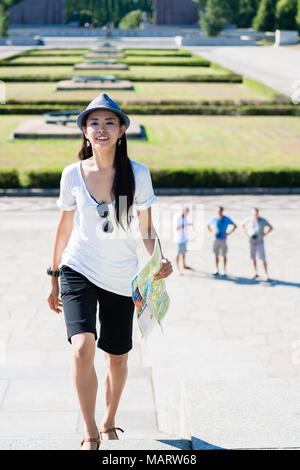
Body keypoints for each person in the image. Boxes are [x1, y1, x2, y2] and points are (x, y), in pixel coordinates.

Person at [46, 93, 173, 450]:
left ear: (121, 131)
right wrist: (54, 276)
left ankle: (109, 421)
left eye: (109, 123)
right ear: (84, 132)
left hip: (121, 275)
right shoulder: (72, 174)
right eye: (94, 123)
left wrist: (160, 259)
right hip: (78, 268)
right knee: (82, 348)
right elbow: (63, 228)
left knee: (117, 357)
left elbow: (145, 229)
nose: (101, 129)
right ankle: (89, 433)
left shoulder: (137, 174)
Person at [241, 207, 273, 281]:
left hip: (260, 242)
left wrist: (264, 234)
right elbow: (242, 225)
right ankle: (255, 272)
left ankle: (266, 274)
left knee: (263, 258)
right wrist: (247, 233)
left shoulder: (262, 220)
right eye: (253, 213)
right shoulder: (248, 220)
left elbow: (271, 227)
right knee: (253, 257)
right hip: (252, 242)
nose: (255, 214)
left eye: (256, 213)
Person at [207, 206, 237, 276]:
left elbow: (235, 225)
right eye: (218, 211)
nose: (219, 212)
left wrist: (228, 233)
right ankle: (216, 269)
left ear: (222, 211)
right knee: (216, 254)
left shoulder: (226, 218)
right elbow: (207, 225)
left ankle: (224, 270)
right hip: (216, 238)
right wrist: (212, 232)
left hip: (223, 239)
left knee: (224, 255)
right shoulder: (214, 218)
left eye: (220, 211)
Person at [174, 207, 193, 275]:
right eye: (186, 212)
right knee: (178, 253)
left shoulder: (184, 217)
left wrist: (188, 224)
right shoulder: (178, 217)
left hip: (184, 238)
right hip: (179, 239)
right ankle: (178, 269)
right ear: (183, 211)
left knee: (184, 252)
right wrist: (185, 225)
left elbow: (184, 226)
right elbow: (177, 228)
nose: (187, 214)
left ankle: (184, 265)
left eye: (187, 213)